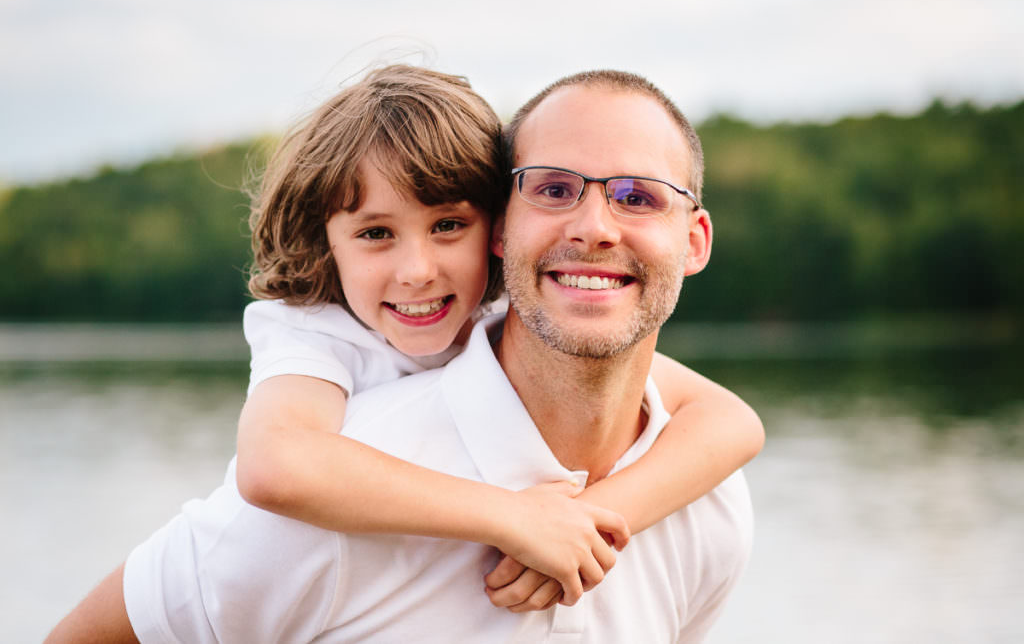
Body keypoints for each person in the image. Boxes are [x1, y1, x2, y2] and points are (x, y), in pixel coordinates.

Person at [47, 67, 758, 642]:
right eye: (555, 189)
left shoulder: (708, 503)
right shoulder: (321, 477)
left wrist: (599, 518)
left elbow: (732, 421)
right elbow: (274, 466)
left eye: (638, 196)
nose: (594, 226)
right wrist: (512, 516)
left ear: (695, 240)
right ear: (509, 229)